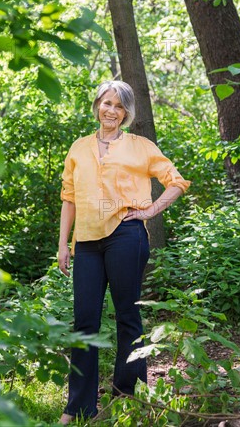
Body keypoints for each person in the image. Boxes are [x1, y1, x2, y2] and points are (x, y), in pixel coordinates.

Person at [58, 81, 190, 424]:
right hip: (86, 241)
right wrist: (63, 244)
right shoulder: (78, 147)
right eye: (107, 103)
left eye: (119, 106)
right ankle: (78, 407)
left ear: (127, 113)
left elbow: (176, 181)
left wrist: (148, 212)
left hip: (126, 235)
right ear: (97, 106)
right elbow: (69, 197)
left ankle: (128, 397)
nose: (112, 111)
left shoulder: (140, 146)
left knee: (128, 317)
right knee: (84, 320)